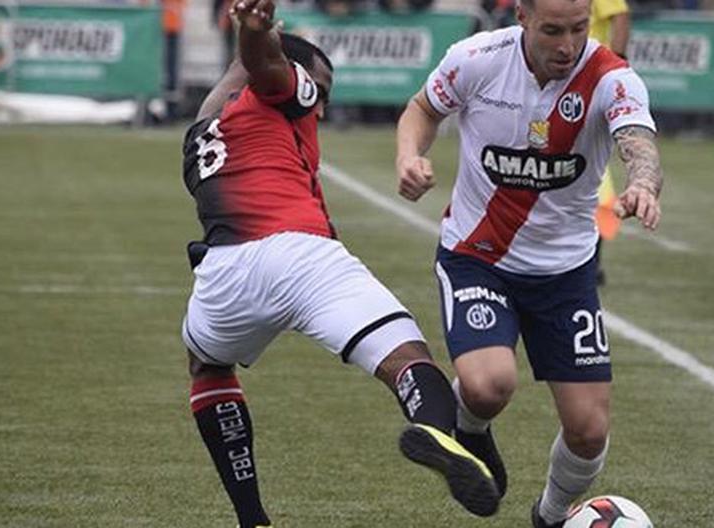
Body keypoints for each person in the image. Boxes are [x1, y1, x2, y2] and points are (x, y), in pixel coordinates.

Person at [180, 1, 500, 526]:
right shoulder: (285, 89)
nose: (320, 108)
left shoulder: (202, 128)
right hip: (300, 256)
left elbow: (242, 72)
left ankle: (252, 517)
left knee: (207, 365)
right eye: (320, 94)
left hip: (223, 275)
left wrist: (252, 39)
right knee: (405, 357)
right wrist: (257, 34)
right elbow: (264, 67)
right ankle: (441, 434)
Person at [394, 0, 664, 524]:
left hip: (566, 273)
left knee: (588, 431)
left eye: (579, 29)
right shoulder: (476, 58)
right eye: (553, 31)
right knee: (488, 385)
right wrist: (409, 156)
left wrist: (643, 184)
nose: (567, 45)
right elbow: (422, 109)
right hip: (477, 257)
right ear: (521, 16)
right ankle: (470, 434)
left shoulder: (611, 76)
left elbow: (639, 141)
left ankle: (551, 515)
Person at [589, 0, 631, 285]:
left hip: (590, 83)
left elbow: (620, 16)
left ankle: (592, 261)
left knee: (594, 173)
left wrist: (615, 59)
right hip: (562, 80)